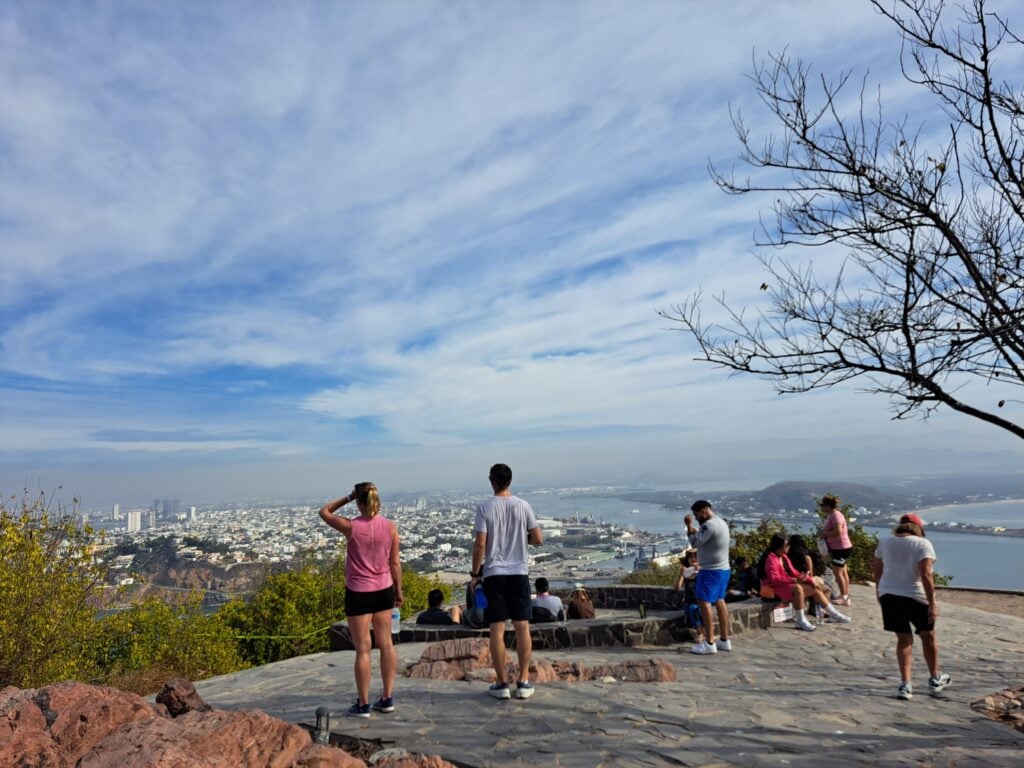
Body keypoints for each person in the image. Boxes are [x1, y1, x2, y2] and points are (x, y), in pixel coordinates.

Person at [319, 482, 401, 717]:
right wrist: (399, 591)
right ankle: (387, 697)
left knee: (363, 649)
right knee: (386, 644)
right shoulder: (390, 527)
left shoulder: (351, 527)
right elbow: (394, 562)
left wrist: (347, 496)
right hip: (384, 588)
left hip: (358, 592)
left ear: (359, 502)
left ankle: (363, 704)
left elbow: (324, 512)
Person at [470, 463, 543, 700]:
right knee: (522, 626)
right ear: (510, 481)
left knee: (497, 629)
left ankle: (501, 683)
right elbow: (538, 538)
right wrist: (521, 541)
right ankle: (523, 680)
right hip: (519, 573)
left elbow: (480, 543)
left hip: (494, 574)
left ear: (492, 480)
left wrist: (475, 574)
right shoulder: (523, 506)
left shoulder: (485, 507)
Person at [873, 513, 952, 701]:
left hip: (889, 595)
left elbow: (877, 570)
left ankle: (905, 684)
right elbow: (926, 574)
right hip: (916, 596)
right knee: (928, 636)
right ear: (918, 528)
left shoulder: (884, 542)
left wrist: (879, 593)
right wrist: (932, 603)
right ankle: (934, 677)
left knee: (903, 640)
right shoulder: (922, 544)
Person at [758, 533, 851, 631]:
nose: (788, 547)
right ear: (779, 546)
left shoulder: (784, 557)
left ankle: (834, 614)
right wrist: (795, 580)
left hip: (784, 586)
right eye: (786, 545)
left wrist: (810, 580)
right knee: (797, 588)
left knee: (814, 588)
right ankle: (800, 620)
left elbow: (794, 572)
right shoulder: (770, 559)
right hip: (774, 588)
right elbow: (775, 579)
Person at [685, 500, 733, 654]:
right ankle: (724, 640)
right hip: (724, 568)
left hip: (711, 570)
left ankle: (709, 642)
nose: (697, 518)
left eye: (697, 515)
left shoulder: (709, 525)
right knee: (720, 600)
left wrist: (688, 527)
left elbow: (695, 543)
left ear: (704, 511)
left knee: (703, 602)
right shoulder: (721, 522)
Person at [821, 494, 853, 605]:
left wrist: (825, 534)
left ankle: (844, 597)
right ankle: (845, 594)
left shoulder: (835, 516)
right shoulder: (832, 515)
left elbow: (838, 531)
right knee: (843, 571)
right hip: (840, 547)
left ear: (827, 506)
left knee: (838, 572)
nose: (821, 508)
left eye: (822, 505)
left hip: (840, 548)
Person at [672, 550, 703, 640]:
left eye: (695, 556)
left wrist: (698, 571)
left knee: (695, 610)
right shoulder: (686, 571)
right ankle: (699, 632)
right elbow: (676, 587)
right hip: (689, 601)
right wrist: (681, 574)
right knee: (691, 608)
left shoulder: (703, 569)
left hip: (700, 601)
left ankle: (701, 633)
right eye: (690, 557)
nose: (693, 559)